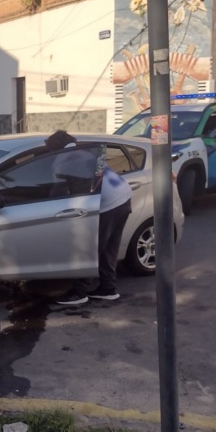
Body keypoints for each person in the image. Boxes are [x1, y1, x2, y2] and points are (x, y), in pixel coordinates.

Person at [45, 131, 133, 306]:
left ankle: (79, 292)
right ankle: (108, 288)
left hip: (106, 204)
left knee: (90, 248)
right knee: (109, 248)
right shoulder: (86, 151)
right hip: (123, 197)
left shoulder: (62, 161)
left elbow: (57, 192)